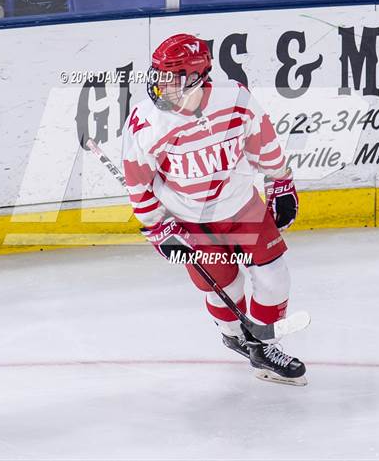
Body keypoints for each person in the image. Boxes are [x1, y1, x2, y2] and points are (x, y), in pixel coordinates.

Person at [121, 33, 306, 385]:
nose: (162, 85)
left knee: (274, 276)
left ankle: (264, 345)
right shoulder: (147, 122)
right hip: (190, 219)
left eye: (172, 76)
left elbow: (263, 144)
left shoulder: (235, 98)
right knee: (223, 286)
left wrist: (280, 182)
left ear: (198, 76)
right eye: (158, 75)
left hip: (242, 207)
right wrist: (156, 228)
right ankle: (233, 333)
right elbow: (138, 182)